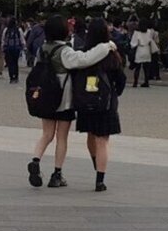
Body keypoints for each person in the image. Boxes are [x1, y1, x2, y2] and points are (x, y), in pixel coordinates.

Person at [28, 15, 117, 189]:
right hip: (62, 100)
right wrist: (106, 46)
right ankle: (57, 173)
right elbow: (84, 59)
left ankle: (35, 160)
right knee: (61, 137)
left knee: (46, 134)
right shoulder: (65, 51)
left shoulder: (42, 49)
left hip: (44, 98)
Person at [71, 18, 126, 192]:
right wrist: (116, 92)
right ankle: (100, 179)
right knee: (103, 140)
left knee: (91, 136)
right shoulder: (112, 54)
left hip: (86, 100)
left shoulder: (83, 54)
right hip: (106, 102)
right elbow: (121, 79)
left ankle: (96, 164)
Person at [130, 19, 158, 88]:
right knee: (146, 68)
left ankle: (135, 82)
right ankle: (146, 82)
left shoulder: (136, 32)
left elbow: (133, 43)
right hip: (147, 49)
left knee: (138, 68)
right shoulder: (148, 32)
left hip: (139, 50)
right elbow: (150, 40)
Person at [2, 16, 25, 84]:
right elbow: (22, 39)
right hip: (16, 48)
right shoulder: (19, 30)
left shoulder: (6, 30)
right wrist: (23, 46)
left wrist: (3, 47)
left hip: (8, 48)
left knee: (10, 63)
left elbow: (3, 39)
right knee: (15, 63)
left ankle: (11, 77)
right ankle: (16, 77)